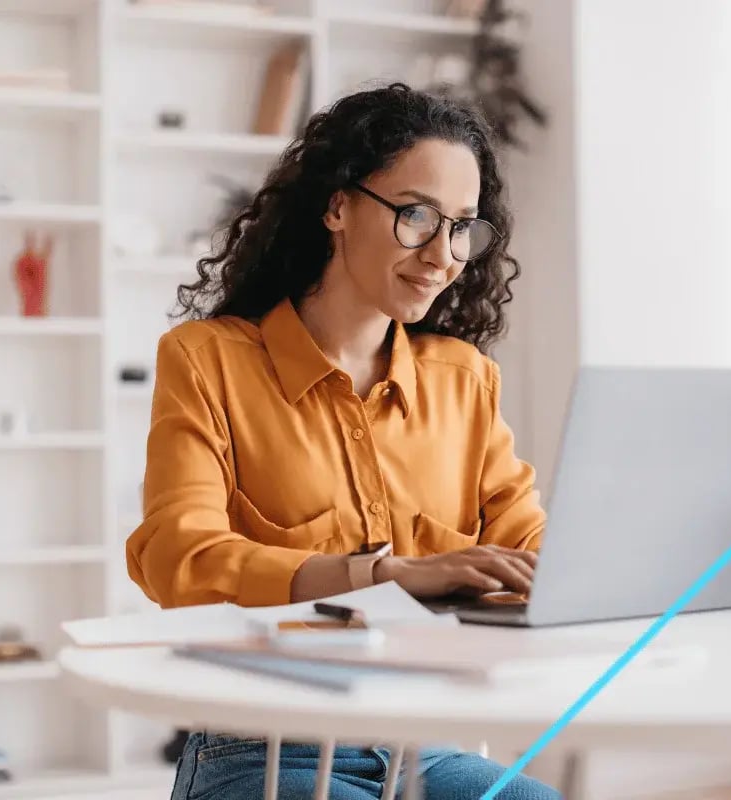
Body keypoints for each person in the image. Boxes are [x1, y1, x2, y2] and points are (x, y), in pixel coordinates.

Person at [126, 83, 561, 800]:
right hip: (263, 747)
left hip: (426, 745)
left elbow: (530, 556)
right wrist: (378, 578)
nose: (444, 254)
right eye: (417, 216)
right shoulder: (209, 360)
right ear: (337, 205)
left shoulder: (464, 381)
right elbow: (178, 556)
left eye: (462, 227)